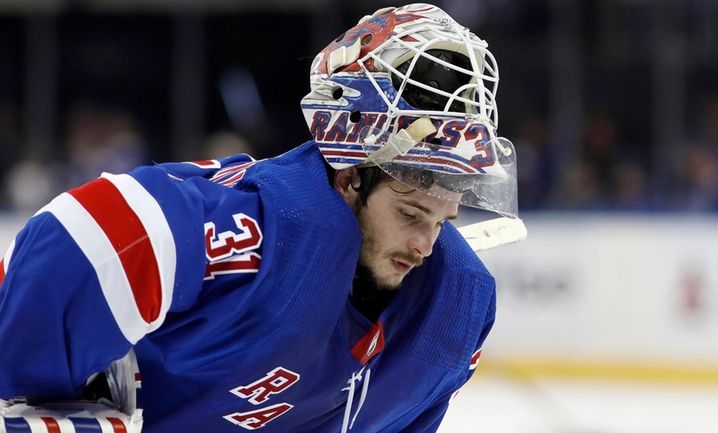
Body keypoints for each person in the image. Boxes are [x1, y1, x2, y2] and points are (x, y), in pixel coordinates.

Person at [0, 4, 519, 432]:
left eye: (443, 220)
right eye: (409, 212)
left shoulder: (457, 310)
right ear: (348, 178)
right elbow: (81, 238)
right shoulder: (231, 233)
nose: (425, 245)